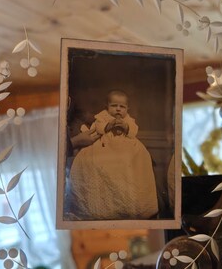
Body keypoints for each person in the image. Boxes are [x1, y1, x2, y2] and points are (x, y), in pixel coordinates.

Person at [64, 90, 159, 220]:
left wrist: (126, 127)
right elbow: (98, 127)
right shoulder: (103, 116)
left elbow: (134, 131)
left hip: (124, 148)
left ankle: (131, 203)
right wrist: (108, 125)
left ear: (127, 108)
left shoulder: (128, 119)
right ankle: (105, 205)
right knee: (99, 164)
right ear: (107, 106)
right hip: (105, 146)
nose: (118, 109)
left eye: (122, 107)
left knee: (137, 159)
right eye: (114, 106)